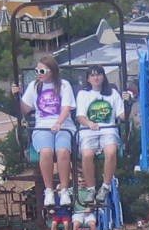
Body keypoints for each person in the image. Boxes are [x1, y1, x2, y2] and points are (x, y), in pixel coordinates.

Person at [19, 55, 75, 207]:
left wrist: (58, 122)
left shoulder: (64, 85)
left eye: (42, 70)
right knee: (46, 152)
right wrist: (17, 96)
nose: (38, 73)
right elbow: (25, 109)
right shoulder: (34, 86)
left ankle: (64, 190)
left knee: (63, 151)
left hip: (63, 126)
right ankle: (49, 190)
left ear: (51, 71)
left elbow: (66, 108)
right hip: (42, 126)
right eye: (37, 70)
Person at [75, 65, 123, 206]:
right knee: (87, 155)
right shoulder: (83, 94)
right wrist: (89, 124)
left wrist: (128, 102)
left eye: (98, 75)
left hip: (108, 129)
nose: (96, 78)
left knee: (111, 151)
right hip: (89, 131)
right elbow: (80, 116)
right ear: (88, 79)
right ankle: (91, 188)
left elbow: (122, 115)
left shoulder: (113, 93)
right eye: (92, 75)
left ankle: (105, 186)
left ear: (103, 76)